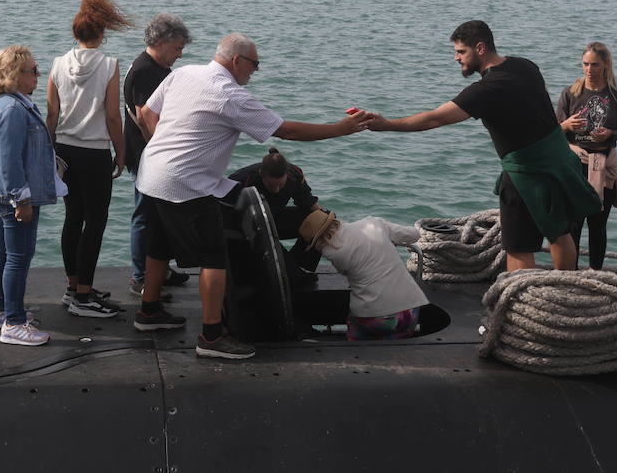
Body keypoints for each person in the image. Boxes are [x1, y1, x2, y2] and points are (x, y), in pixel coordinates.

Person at [133, 32, 373, 361]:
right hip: (187, 183)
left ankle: (149, 312)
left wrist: (167, 148)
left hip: (152, 172)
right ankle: (212, 336)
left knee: (158, 246)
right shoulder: (230, 96)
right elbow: (286, 131)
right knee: (215, 258)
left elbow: (145, 113)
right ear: (236, 61)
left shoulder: (183, 72)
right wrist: (341, 128)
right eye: (254, 65)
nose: (255, 72)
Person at [360, 20, 601, 273]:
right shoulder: (526, 66)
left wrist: (386, 124)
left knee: (518, 246)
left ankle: (520, 302)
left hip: (525, 174)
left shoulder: (487, 90)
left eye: (461, 51)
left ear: (481, 48)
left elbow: (435, 118)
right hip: (559, 163)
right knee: (560, 232)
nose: (456, 58)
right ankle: (565, 288)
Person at [47, 0, 131, 318]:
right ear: (102, 33)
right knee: (95, 222)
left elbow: (51, 114)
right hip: (95, 152)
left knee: (73, 218)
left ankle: (73, 287)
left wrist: (49, 149)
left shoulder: (56, 64)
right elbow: (113, 116)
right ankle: (84, 296)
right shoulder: (109, 65)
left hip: (64, 151)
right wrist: (121, 151)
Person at [0, 45, 58, 346]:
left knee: (4, 252)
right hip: (13, 196)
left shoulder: (5, 103)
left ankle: (0, 309)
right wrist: (22, 200)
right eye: (33, 71)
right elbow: (10, 160)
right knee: (19, 258)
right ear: (15, 75)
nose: (39, 75)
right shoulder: (11, 109)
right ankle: (13, 323)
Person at [123, 12, 193, 298]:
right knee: (145, 215)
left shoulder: (154, 67)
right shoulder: (145, 71)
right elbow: (145, 117)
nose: (179, 54)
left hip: (150, 153)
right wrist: (164, 151)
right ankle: (142, 276)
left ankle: (159, 269)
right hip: (147, 155)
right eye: (177, 48)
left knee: (158, 215)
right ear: (162, 42)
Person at [557, 42, 617, 270]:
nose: (589, 69)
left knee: (598, 224)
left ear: (605, 65)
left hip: (603, 165)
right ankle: (569, 273)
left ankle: (595, 272)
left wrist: (610, 133)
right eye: (585, 64)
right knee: (573, 224)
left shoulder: (616, 96)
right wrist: (567, 125)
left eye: (594, 65)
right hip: (575, 164)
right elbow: (553, 130)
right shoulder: (571, 93)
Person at [297, 209, 430, 341]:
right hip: (408, 311)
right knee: (397, 343)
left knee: (358, 340)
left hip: (371, 317)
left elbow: (346, 271)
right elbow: (413, 234)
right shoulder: (374, 224)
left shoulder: (330, 252)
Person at [228, 147, 322, 275]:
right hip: (247, 230)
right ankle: (289, 272)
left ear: (287, 175)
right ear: (261, 174)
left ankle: (301, 266)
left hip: (275, 219)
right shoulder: (242, 180)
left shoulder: (295, 175)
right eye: (271, 185)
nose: (276, 190)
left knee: (321, 223)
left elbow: (307, 201)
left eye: (281, 185)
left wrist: (327, 221)